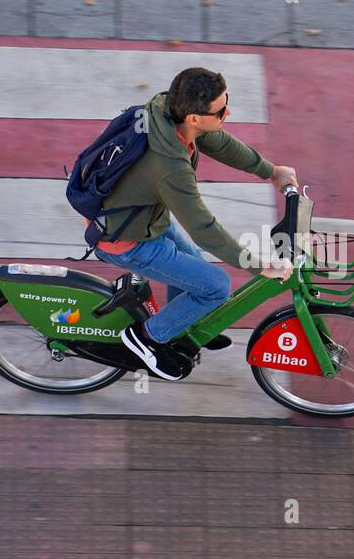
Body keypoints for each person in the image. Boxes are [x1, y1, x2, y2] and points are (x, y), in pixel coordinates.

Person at [92, 67, 296, 381]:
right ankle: (147, 338)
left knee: (193, 267)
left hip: (142, 217)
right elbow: (204, 229)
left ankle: (182, 326)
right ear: (194, 119)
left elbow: (221, 143)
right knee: (215, 286)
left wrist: (270, 172)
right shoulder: (170, 167)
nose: (228, 113)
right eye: (221, 111)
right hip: (127, 239)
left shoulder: (166, 110)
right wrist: (260, 266)